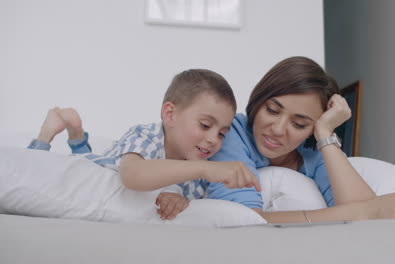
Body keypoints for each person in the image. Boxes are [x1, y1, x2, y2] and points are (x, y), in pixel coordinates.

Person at [206, 56, 395, 223]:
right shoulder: (231, 132)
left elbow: (366, 213)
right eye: (272, 110)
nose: (278, 130)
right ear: (259, 100)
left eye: (299, 124)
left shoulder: (314, 154)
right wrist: (358, 212)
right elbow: (245, 220)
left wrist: (325, 132)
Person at [27, 69, 261, 220]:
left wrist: (180, 200)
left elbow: (187, 202)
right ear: (170, 114)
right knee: (37, 165)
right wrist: (206, 169)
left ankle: (78, 138)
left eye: (222, 133)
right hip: (91, 168)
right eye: (204, 125)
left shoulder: (198, 165)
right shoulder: (147, 135)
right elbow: (133, 176)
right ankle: (50, 133)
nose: (213, 139)